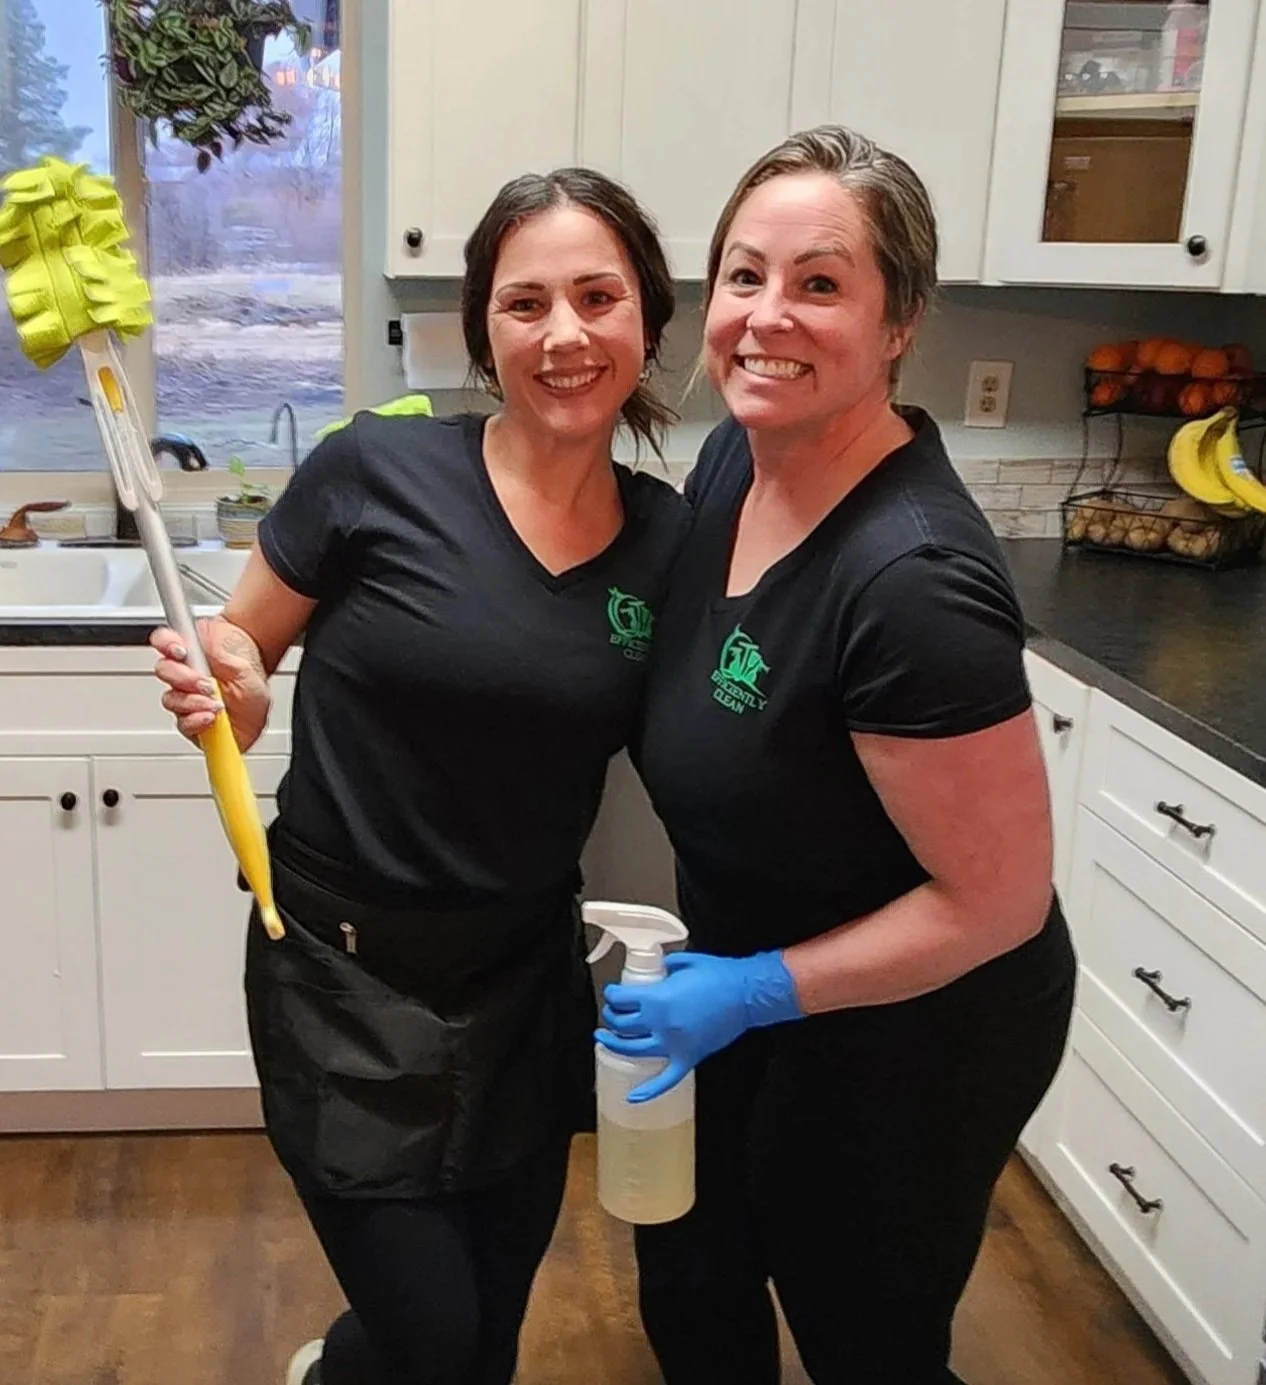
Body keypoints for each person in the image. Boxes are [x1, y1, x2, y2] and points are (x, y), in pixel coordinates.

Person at [150, 167, 684, 1385]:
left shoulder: (670, 541)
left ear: (647, 318)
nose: (563, 334)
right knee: (435, 1339)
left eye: (596, 297)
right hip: (341, 967)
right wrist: (226, 684)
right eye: (524, 302)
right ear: (486, 330)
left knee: (484, 1332)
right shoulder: (373, 472)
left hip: (522, 978)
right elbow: (245, 643)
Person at [597, 125, 1077, 1384]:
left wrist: (752, 990)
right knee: (691, 1276)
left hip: (915, 1033)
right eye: (744, 275)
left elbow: (999, 901)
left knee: (864, 1331)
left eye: (821, 282)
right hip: (749, 979)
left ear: (900, 317)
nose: (767, 316)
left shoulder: (910, 580)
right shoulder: (729, 463)